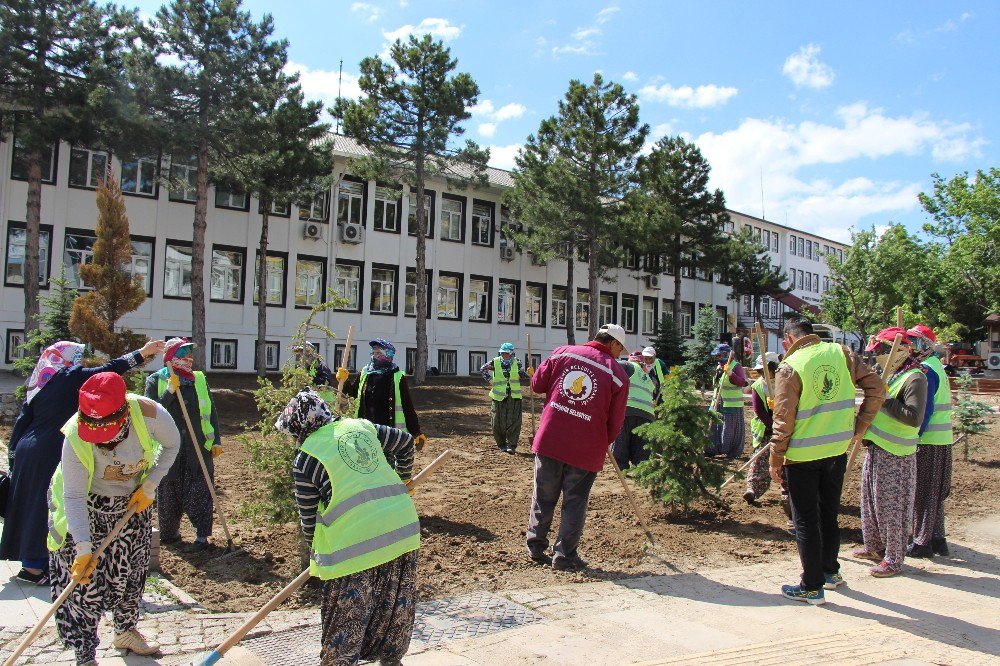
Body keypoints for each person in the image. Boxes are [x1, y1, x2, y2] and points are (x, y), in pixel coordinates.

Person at [1, 339, 165, 585]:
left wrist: (13, 454)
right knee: (50, 504)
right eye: (77, 356)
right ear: (69, 358)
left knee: (28, 503)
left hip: (27, 449)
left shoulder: (40, 381)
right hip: (51, 448)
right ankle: (39, 565)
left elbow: (24, 419)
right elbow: (108, 370)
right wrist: (142, 354)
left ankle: (30, 565)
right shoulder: (69, 377)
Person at [276, 389, 418, 666]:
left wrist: (315, 552)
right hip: (402, 527)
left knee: (345, 622)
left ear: (299, 427)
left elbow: (308, 520)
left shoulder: (304, 459)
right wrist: (402, 482)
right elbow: (406, 442)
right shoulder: (362, 426)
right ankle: (391, 660)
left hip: (354, 545)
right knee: (394, 607)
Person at [47, 372, 181, 665]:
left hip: (133, 503)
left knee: (132, 572)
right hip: (88, 506)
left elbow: (172, 445)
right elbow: (74, 497)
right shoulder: (74, 437)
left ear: (122, 414)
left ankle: (125, 631)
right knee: (85, 585)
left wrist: (151, 484)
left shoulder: (149, 414)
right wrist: (83, 548)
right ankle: (85, 655)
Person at [769, 316, 885, 605]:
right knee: (828, 514)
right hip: (836, 450)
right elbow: (877, 388)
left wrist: (775, 458)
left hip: (802, 456)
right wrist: (860, 426)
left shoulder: (789, 367)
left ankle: (811, 586)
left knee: (805, 521)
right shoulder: (842, 353)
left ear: (788, 341)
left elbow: (783, 420)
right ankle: (830, 572)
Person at [525, 323, 628, 570]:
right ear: (613, 343)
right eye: (620, 349)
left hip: (550, 439)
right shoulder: (618, 374)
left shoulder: (562, 353)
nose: (620, 354)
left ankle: (536, 546)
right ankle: (564, 556)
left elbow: (537, 385)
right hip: (586, 449)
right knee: (575, 501)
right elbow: (615, 423)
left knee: (543, 496)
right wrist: (603, 442)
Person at [854, 327, 927, 578]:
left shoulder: (914, 378)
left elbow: (914, 417)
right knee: (871, 502)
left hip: (896, 453)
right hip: (877, 448)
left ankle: (894, 558)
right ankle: (874, 547)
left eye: (883, 351)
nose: (879, 357)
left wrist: (884, 399)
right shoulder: (893, 375)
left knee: (891, 508)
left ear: (899, 351)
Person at [144, 338, 222, 551]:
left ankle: (201, 536)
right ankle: (170, 534)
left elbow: (210, 411)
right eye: (183, 354)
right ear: (170, 357)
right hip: (169, 448)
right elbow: (150, 413)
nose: (188, 359)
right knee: (169, 491)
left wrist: (216, 440)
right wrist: (169, 392)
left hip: (198, 446)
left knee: (200, 490)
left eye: (190, 354)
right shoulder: (155, 381)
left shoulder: (198, 379)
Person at [906, 324, 954, 558]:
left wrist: (915, 435)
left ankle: (922, 543)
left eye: (914, 342)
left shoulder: (926, 370)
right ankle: (937, 539)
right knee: (934, 493)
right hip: (942, 439)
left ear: (924, 344)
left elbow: (925, 410)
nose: (910, 347)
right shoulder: (937, 366)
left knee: (923, 492)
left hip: (928, 440)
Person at [339, 339, 427, 451]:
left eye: (379, 353)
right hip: (366, 429)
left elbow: (407, 405)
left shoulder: (397, 376)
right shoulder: (365, 373)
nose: (375, 356)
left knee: (386, 463)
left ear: (388, 354)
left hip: (388, 432)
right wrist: (344, 381)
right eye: (374, 352)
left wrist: (416, 431)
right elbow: (353, 395)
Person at [480, 342, 533, 454]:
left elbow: (522, 374)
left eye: (507, 353)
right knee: (497, 422)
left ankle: (511, 445)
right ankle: (502, 444)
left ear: (511, 353)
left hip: (514, 396)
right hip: (499, 396)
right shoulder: (495, 362)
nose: (505, 355)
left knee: (514, 421)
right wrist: (490, 381)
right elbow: (482, 369)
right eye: (503, 353)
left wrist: (529, 373)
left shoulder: (517, 362)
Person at [743, 351, 780, 504]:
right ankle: (752, 489)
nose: (763, 374)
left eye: (765, 370)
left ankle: (791, 492)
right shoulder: (758, 385)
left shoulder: (784, 381)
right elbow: (759, 410)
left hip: (787, 426)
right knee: (759, 459)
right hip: (766, 428)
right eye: (760, 371)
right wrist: (772, 426)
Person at [611, 350, 656, 469]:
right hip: (648, 414)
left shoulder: (628, 366)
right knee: (641, 447)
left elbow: (611, 366)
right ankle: (639, 470)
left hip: (628, 409)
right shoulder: (647, 377)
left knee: (621, 442)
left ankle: (621, 469)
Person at [705, 342, 747, 460]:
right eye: (716, 356)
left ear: (726, 354)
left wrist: (730, 374)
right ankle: (711, 449)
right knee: (713, 427)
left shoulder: (735, 366)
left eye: (719, 356)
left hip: (732, 404)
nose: (717, 358)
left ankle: (731, 452)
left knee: (729, 429)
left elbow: (741, 382)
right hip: (717, 403)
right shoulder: (719, 367)